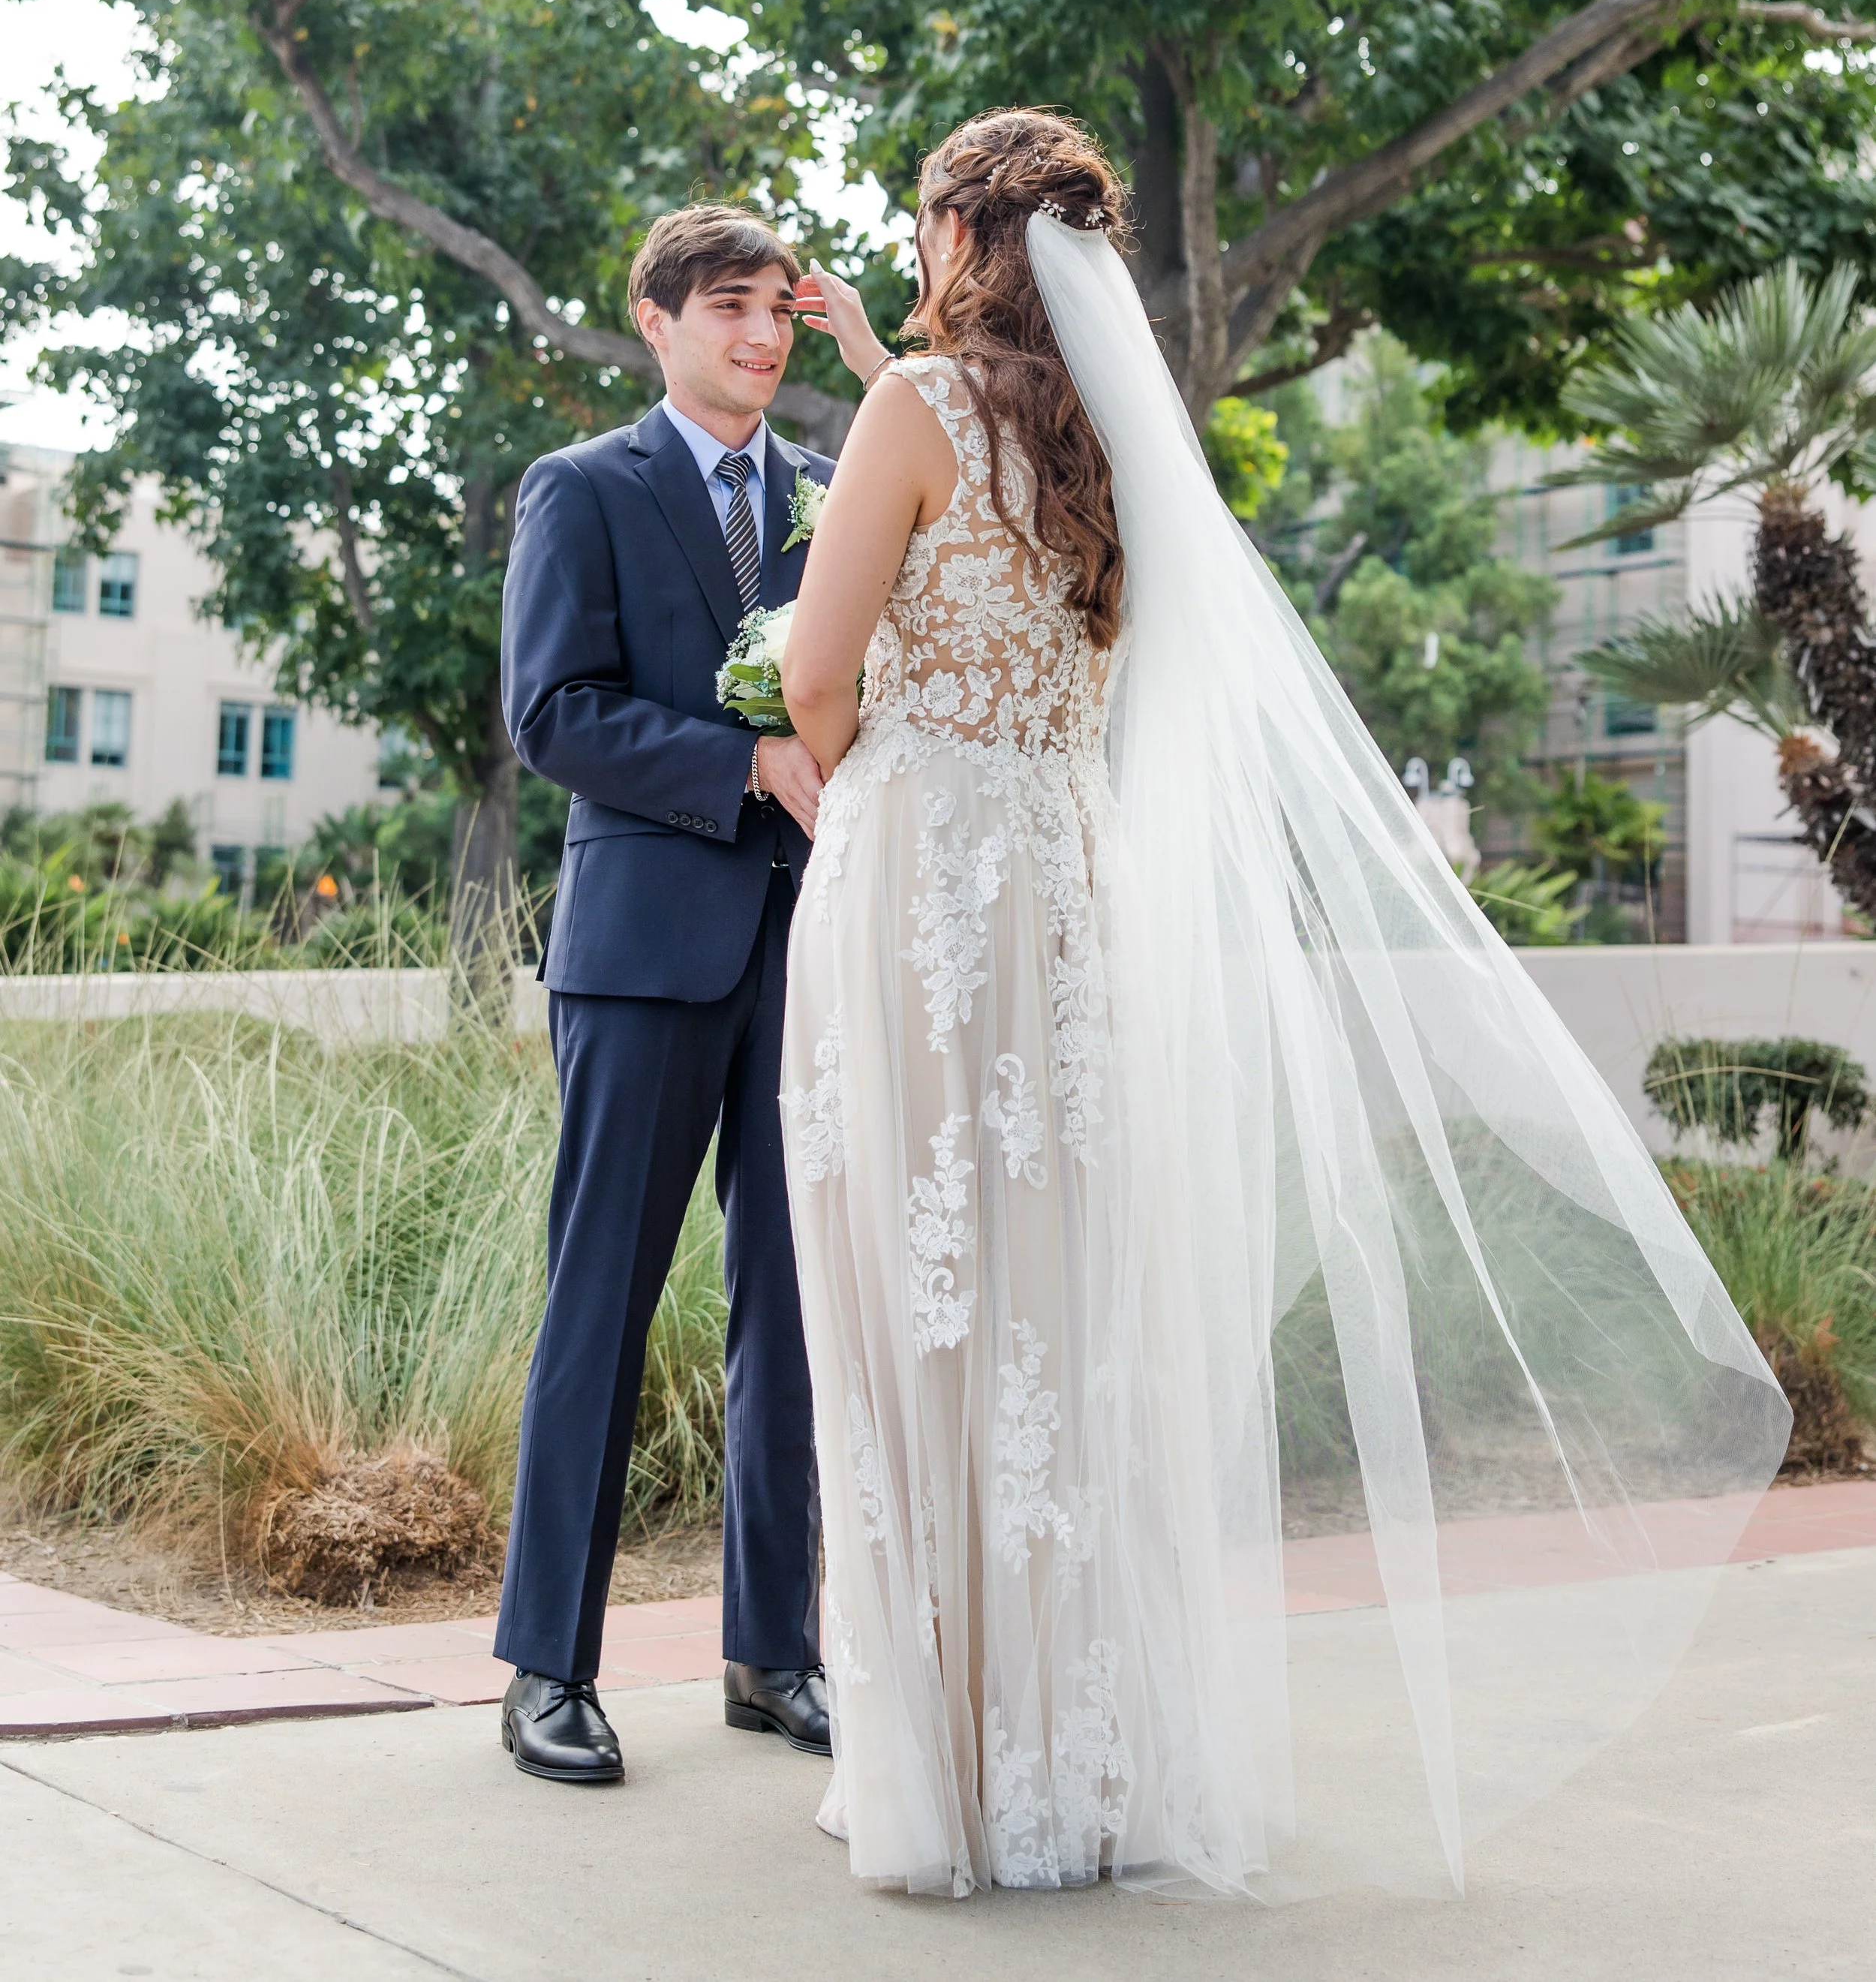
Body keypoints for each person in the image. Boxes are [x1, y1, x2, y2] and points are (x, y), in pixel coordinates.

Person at [777, 110, 1789, 1899]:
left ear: (963, 235)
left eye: (927, 226)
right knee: (1056, 1310)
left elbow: (811, 665)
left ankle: (938, 1772)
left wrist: (857, 779)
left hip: (922, 877)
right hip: (1068, 890)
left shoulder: (914, 414)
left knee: (912, 1294)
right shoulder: (1118, 460)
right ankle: (1066, 1770)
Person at [492, 203, 882, 1786]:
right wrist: (745, 761)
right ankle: (545, 1670)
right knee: (601, 1304)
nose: (760, 336)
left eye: (779, 312)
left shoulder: (833, 497)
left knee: (791, 1310)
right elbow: (554, 713)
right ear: (653, 320)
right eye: (729, 308)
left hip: (810, 948)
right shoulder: (582, 488)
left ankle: (770, 1650)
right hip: (641, 955)